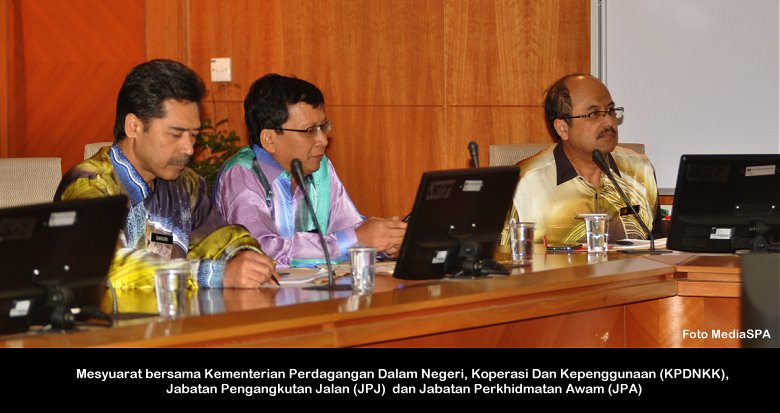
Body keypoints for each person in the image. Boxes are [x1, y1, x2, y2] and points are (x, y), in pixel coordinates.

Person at [55, 59, 277, 289]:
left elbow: (223, 239)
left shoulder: (185, 184)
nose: (188, 149)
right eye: (175, 134)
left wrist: (244, 256)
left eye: (193, 135)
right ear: (133, 126)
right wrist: (212, 274)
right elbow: (107, 266)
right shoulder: (87, 185)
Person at [213, 74, 406, 267]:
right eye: (310, 130)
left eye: (323, 127)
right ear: (269, 139)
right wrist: (354, 240)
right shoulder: (241, 174)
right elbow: (259, 250)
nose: (323, 140)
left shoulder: (319, 168)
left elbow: (348, 226)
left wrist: (383, 240)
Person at [505, 74, 662, 244]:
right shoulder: (524, 183)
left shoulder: (640, 171)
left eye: (610, 111)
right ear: (562, 128)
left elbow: (658, 246)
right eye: (594, 114)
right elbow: (502, 256)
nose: (609, 122)